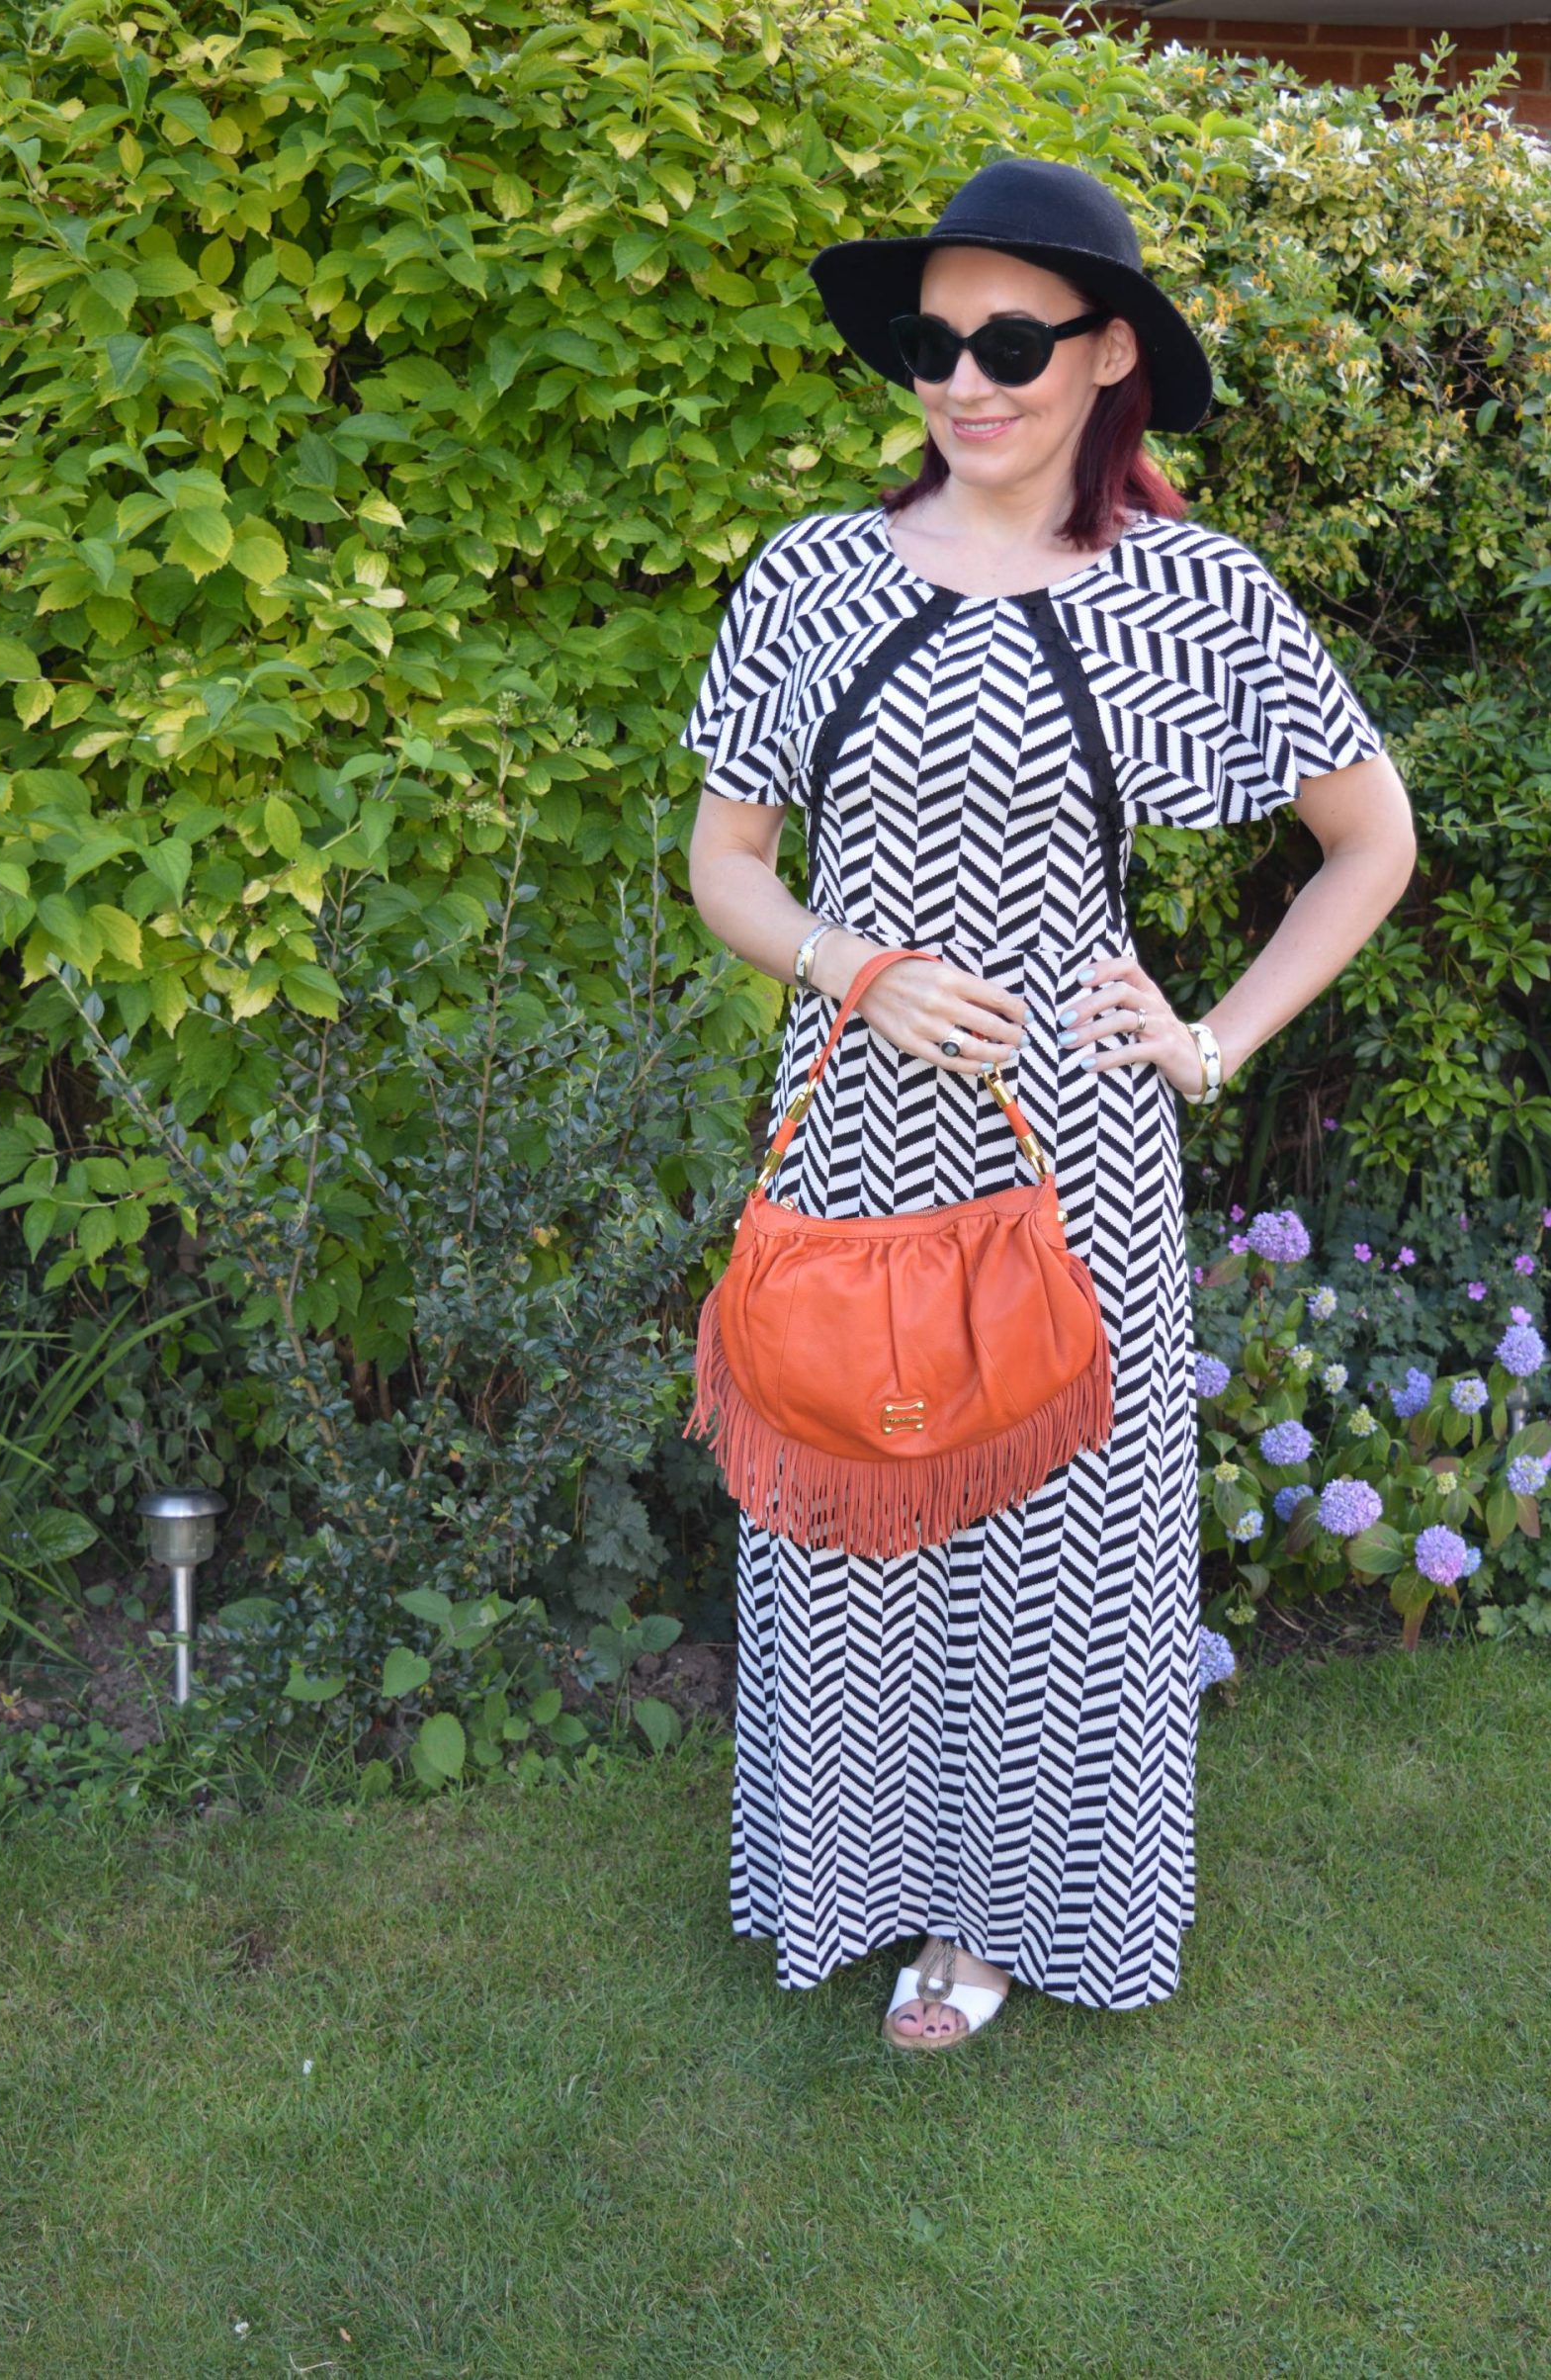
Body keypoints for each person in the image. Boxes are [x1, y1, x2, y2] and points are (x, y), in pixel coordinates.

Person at [681, 157, 1417, 2050]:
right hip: (852, 1127)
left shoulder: (1186, 593)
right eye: (932, 340)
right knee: (854, 1499)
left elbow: (1368, 840)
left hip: (1075, 1149)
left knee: (1051, 1551)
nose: (965, 379)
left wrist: (1218, 1040)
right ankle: (846, 1875)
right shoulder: (817, 577)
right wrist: (854, 967)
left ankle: (1006, 1912)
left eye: (1012, 340)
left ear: (1106, 360)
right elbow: (729, 865)